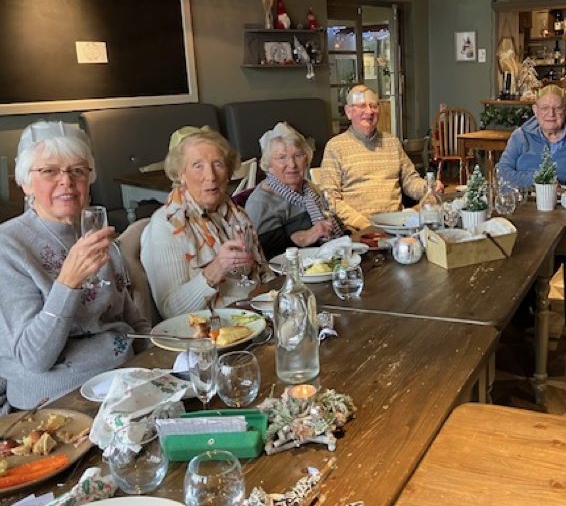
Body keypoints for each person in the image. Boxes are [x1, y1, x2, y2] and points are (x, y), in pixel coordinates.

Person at [0, 121, 150, 411]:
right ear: (25, 183)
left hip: (126, 382)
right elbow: (34, 358)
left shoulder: (96, 233)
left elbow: (129, 319)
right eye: (49, 171)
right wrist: (68, 282)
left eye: (77, 170)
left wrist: (158, 361)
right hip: (61, 401)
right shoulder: (9, 246)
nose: (66, 181)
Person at [141, 126, 273, 319]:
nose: (210, 176)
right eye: (198, 165)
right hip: (209, 332)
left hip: (255, 316)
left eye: (218, 164)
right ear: (181, 175)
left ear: (228, 172)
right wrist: (216, 269)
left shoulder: (237, 216)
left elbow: (264, 276)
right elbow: (171, 311)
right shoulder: (167, 224)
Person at [320, 86, 440, 230]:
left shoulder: (392, 143)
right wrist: (363, 224)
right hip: (357, 229)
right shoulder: (335, 147)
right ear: (348, 112)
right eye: (362, 106)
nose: (369, 112)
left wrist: (428, 188)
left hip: (397, 223)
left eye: (373, 106)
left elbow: (410, 180)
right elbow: (330, 199)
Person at [245, 122, 341, 259]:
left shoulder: (309, 189)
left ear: (307, 159)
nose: (292, 165)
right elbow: (263, 253)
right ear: (269, 165)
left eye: (298, 155)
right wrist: (300, 238)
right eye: (281, 157)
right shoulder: (261, 203)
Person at [497, 85, 566, 188]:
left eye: (558, 108)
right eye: (545, 108)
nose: (551, 114)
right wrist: (539, 180)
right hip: (526, 200)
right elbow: (502, 171)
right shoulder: (520, 136)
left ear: (565, 110)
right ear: (535, 110)